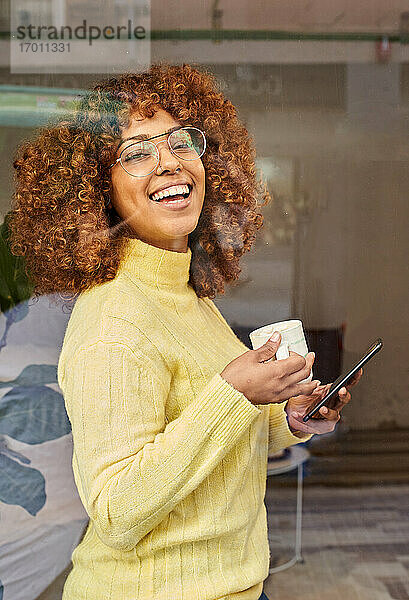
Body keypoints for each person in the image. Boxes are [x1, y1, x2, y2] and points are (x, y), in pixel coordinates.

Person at [8, 63, 362, 600]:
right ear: (96, 193)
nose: (169, 163)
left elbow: (211, 440)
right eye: (136, 153)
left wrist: (286, 418)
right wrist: (233, 391)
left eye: (180, 142)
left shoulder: (187, 294)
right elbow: (117, 511)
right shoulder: (113, 323)